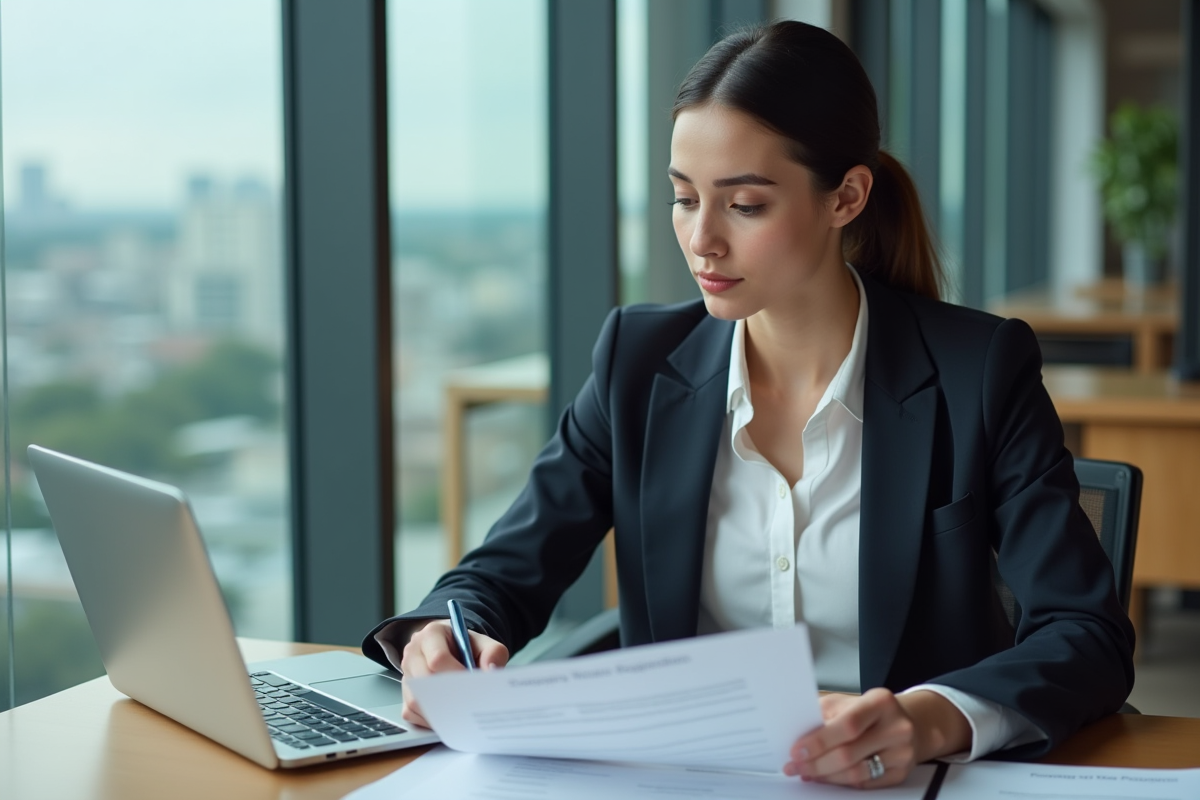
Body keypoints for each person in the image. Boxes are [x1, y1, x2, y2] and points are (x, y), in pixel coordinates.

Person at [363, 20, 1134, 790]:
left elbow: (1085, 633)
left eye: (745, 205)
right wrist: (443, 635)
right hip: (684, 777)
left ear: (847, 197)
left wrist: (927, 717)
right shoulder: (638, 363)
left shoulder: (979, 370)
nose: (701, 240)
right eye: (682, 197)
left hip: (892, 780)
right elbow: (503, 574)